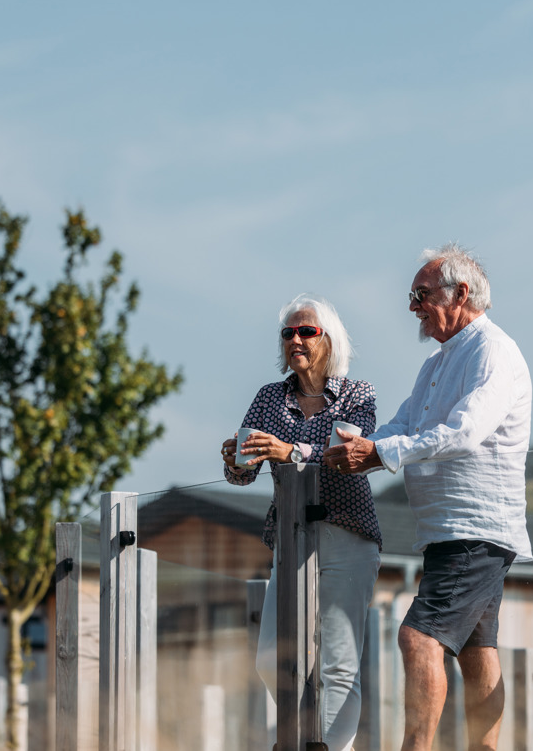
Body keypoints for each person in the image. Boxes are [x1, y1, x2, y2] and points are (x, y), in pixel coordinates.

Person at [324, 244, 532, 751]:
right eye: (411, 295)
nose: (412, 306)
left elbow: (465, 432)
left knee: (418, 637)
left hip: (474, 527)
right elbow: (406, 423)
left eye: (421, 294)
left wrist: (380, 452)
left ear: (461, 293)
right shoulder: (439, 361)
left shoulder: (492, 351)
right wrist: (365, 444)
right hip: (452, 530)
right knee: (477, 651)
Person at [220, 293, 382, 751]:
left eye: (306, 331)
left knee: (339, 666)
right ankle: (304, 738)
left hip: (347, 533)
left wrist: (287, 451)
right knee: (273, 656)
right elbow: (244, 473)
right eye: (288, 332)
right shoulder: (269, 397)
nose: (295, 339)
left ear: (329, 340)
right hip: (291, 538)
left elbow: (343, 455)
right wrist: (235, 458)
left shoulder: (358, 394)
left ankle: (328, 747)